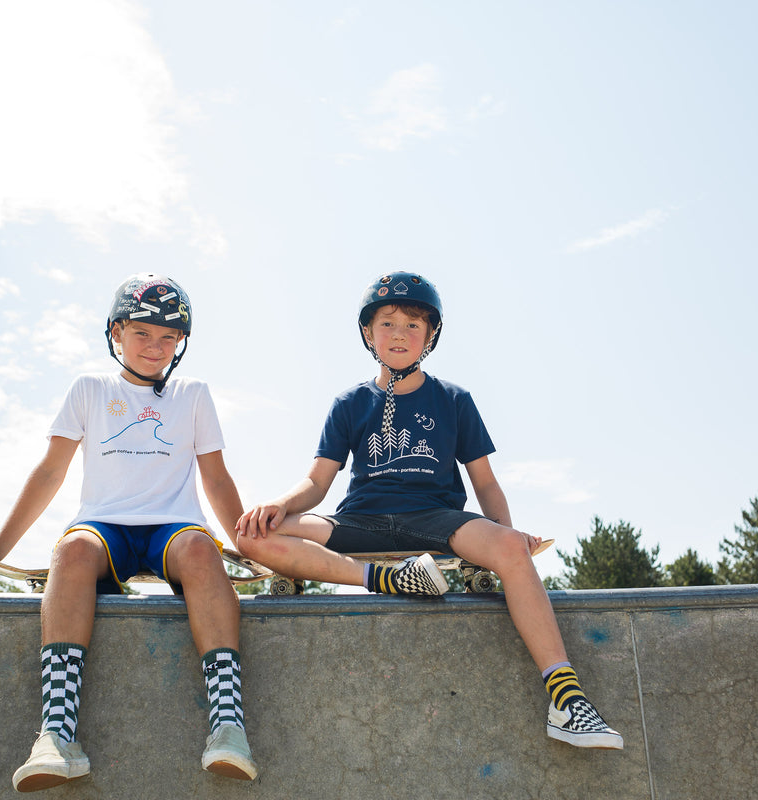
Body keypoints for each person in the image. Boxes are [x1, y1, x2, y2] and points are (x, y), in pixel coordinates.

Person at [236, 270, 622, 750]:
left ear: (431, 335)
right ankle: (389, 579)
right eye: (388, 323)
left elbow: (484, 481)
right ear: (367, 333)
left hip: (436, 519)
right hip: (361, 520)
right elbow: (318, 482)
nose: (400, 334)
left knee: (506, 546)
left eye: (413, 325)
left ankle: (566, 700)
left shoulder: (454, 399)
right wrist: (276, 504)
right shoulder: (350, 402)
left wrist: (507, 532)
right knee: (252, 536)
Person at [0, 273, 258, 792]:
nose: (155, 347)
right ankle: (57, 736)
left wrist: (250, 549)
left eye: (168, 337)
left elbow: (216, 477)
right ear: (116, 331)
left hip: (173, 528)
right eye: (142, 333)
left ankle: (229, 728)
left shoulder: (193, 394)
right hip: (104, 526)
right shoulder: (89, 389)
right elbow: (50, 471)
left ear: (181, 342)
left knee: (202, 548)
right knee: (70, 550)